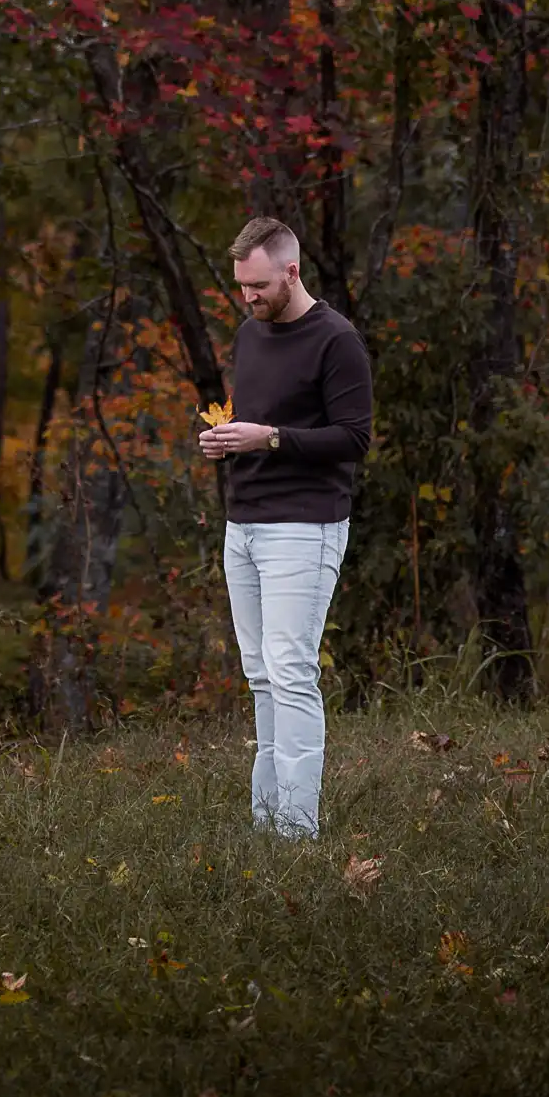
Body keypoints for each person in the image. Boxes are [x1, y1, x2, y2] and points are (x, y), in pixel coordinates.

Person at [198, 215, 373, 839]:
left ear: (291, 271)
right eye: (242, 285)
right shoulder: (251, 334)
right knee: (260, 675)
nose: (249, 297)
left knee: (292, 672)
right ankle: (266, 822)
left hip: (305, 527)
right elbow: (264, 424)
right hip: (242, 525)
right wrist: (231, 441)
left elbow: (353, 438)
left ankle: (299, 832)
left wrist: (269, 438)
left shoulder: (337, 340)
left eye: (259, 285)